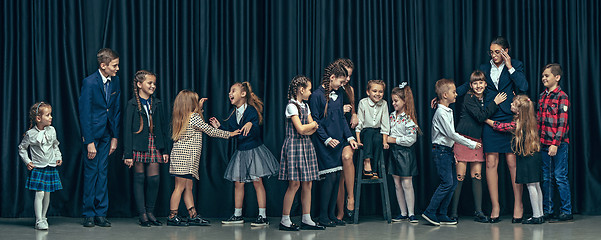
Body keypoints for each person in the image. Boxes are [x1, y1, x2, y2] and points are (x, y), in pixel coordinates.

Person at [210, 82, 279, 226]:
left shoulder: (251, 111)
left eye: (233, 91)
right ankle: (237, 215)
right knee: (238, 183)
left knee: (257, 181)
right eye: (229, 91)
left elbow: (255, 130)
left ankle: (262, 216)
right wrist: (220, 127)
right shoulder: (233, 113)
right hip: (241, 152)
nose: (230, 93)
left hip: (254, 151)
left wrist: (250, 125)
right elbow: (233, 132)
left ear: (243, 94)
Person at [168, 90, 239, 226]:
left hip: (183, 157)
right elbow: (210, 130)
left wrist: (199, 109)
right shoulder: (193, 117)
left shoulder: (183, 116)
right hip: (184, 158)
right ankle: (172, 216)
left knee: (188, 186)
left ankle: (192, 215)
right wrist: (229, 134)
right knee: (180, 187)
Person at [422, 79, 481, 226]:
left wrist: (452, 152)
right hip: (441, 152)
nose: (456, 94)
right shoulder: (441, 113)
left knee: (453, 183)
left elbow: (449, 139)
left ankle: (442, 214)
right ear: (444, 94)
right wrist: (472, 144)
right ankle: (430, 211)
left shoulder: (448, 111)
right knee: (447, 183)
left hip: (447, 151)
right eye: (454, 92)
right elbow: (451, 134)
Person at [449, 70, 507, 223]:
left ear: (485, 84)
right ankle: (453, 212)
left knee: (477, 175)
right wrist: (496, 103)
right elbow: (481, 117)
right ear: (471, 85)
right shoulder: (469, 97)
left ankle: (479, 212)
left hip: (477, 141)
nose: (478, 85)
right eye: (475, 83)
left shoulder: (487, 97)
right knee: (460, 175)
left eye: (481, 82)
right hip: (463, 139)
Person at [309, 62, 359, 227]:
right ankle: (323, 216)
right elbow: (315, 121)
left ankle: (331, 215)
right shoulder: (316, 96)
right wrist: (326, 139)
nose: (343, 84)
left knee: (337, 177)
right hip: (325, 144)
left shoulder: (339, 94)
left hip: (338, 143)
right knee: (330, 178)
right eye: (341, 81)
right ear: (332, 78)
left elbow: (341, 120)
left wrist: (350, 138)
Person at [78, 48, 121, 227]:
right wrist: (89, 142)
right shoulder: (89, 82)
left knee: (103, 173)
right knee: (91, 173)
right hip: (92, 136)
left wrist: (115, 137)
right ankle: (89, 213)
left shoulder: (116, 81)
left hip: (107, 134)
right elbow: (85, 112)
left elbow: (116, 110)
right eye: (114, 65)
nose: (118, 68)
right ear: (103, 66)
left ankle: (101, 213)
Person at [485, 94, 544, 224]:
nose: (510, 105)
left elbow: (500, 126)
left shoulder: (518, 123)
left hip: (527, 157)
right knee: (536, 185)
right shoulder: (531, 120)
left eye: (513, 104)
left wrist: (486, 120)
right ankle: (540, 213)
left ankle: (536, 216)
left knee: (530, 185)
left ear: (519, 110)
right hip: (535, 155)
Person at [122, 70, 171, 226]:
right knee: (139, 179)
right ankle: (142, 214)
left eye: (154, 83)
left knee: (154, 179)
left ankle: (150, 212)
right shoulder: (131, 104)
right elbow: (127, 130)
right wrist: (128, 154)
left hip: (154, 143)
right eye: (149, 83)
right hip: (138, 144)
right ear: (139, 84)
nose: (153, 86)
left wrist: (165, 150)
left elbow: (163, 128)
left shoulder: (157, 103)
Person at [278, 75, 325, 231]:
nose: (310, 93)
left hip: (306, 146)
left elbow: (312, 128)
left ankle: (307, 218)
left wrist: (309, 127)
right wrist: (310, 126)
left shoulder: (305, 106)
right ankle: (285, 220)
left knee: (308, 183)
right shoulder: (291, 106)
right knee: (294, 183)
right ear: (301, 89)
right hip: (294, 146)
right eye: (309, 89)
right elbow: (301, 128)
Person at [18, 102, 63, 230]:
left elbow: (55, 145)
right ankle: (38, 220)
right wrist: (27, 161)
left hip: (50, 165)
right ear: (38, 118)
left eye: (51, 115)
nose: (51, 117)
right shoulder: (30, 134)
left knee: (47, 193)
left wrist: (58, 157)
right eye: (48, 115)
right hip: (38, 167)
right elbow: (22, 148)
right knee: (40, 193)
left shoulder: (52, 130)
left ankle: (44, 217)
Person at [537, 63, 572, 222]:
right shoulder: (542, 96)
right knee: (546, 178)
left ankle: (566, 211)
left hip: (558, 144)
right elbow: (539, 121)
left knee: (559, 176)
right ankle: (548, 210)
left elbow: (562, 124)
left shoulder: (562, 97)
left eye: (547, 76)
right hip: (544, 143)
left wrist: (555, 144)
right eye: (543, 76)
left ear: (557, 78)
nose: (544, 78)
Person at [387, 83, 420, 223]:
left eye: (396, 101)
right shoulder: (391, 115)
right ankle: (403, 212)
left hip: (405, 153)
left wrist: (392, 140)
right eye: (393, 101)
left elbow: (411, 139)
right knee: (396, 183)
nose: (393, 103)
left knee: (407, 183)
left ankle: (412, 213)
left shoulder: (409, 118)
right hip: (394, 153)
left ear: (404, 101)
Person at [334, 58, 358, 221]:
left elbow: (353, 108)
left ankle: (351, 197)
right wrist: (338, 109)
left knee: (347, 157)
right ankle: (340, 212)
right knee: (339, 175)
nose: (348, 79)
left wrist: (355, 114)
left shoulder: (350, 89)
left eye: (350, 76)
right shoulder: (331, 89)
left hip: (347, 133)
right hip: (334, 133)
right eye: (346, 75)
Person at [355, 80, 390, 179]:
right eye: (374, 91)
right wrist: (358, 141)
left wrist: (385, 142)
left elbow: (385, 123)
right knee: (369, 132)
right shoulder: (363, 102)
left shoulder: (384, 104)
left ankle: (374, 170)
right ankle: (367, 161)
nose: (377, 94)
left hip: (377, 132)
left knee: (378, 139)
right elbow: (360, 122)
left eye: (380, 92)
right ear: (368, 92)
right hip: (365, 133)